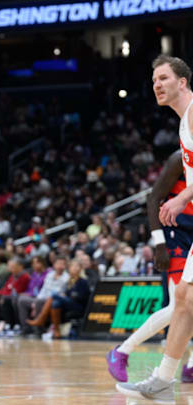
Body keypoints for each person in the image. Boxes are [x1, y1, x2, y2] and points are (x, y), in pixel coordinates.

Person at [117, 55, 193, 403]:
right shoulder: (183, 126)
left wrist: (180, 201)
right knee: (183, 298)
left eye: (163, 78)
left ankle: (146, 365)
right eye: (153, 81)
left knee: (185, 299)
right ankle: (163, 378)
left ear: (183, 82)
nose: (157, 85)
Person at [107, 150, 193, 382]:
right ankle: (122, 351)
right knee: (179, 306)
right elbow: (153, 198)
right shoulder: (179, 157)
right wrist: (159, 244)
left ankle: (191, 366)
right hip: (176, 232)